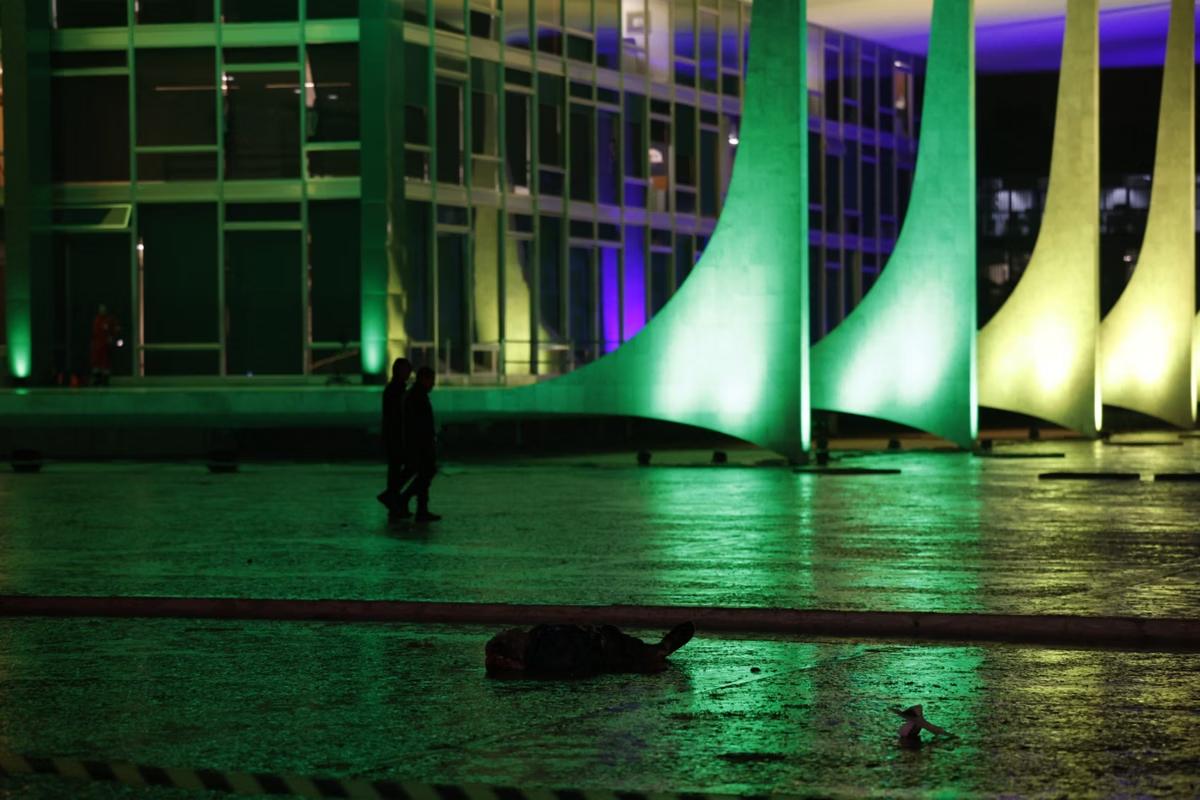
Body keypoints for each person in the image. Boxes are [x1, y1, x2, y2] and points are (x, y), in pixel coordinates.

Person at [485, 621, 695, 677]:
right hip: (600, 647)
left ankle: (654, 653)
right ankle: (654, 654)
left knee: (630, 650)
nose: (511, 629)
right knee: (632, 653)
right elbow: (580, 661)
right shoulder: (540, 651)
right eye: (507, 633)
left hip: (599, 641)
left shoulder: (538, 637)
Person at [396, 366, 440, 521]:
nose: (433, 384)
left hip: (417, 443)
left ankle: (417, 506)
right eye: (432, 380)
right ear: (424, 379)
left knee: (424, 474)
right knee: (426, 474)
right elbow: (420, 423)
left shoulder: (414, 394)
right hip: (421, 444)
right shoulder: (418, 396)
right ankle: (410, 502)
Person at [377, 358, 413, 516]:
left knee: (396, 469)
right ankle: (392, 497)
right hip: (397, 436)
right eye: (406, 370)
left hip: (393, 436)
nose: (408, 373)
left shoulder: (393, 389)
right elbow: (397, 416)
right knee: (404, 467)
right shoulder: (396, 390)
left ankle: (394, 500)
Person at [90, 304, 121, 387]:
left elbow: (115, 329)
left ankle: (105, 380)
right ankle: (97, 380)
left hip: (105, 346)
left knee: (105, 363)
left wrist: (112, 337)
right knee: (97, 363)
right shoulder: (97, 320)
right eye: (101, 309)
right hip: (98, 346)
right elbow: (95, 332)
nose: (102, 310)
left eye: (103, 309)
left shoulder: (109, 320)